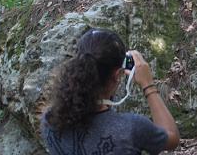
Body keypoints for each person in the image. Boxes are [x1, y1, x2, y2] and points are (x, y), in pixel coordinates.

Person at [41, 28, 179, 155]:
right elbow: (172, 137)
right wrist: (148, 85)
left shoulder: (50, 120)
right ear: (118, 75)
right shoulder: (131, 128)